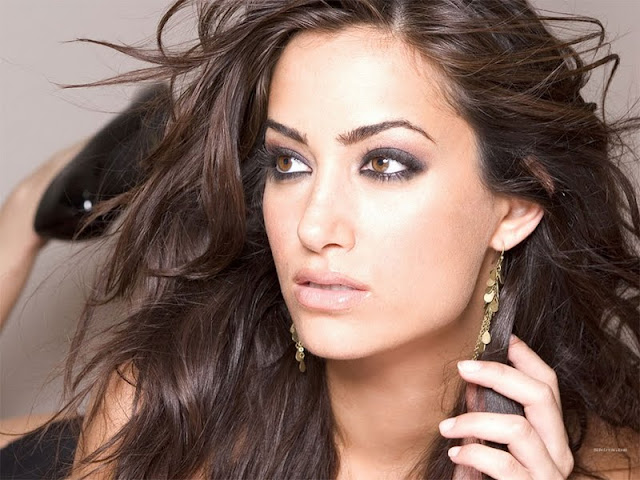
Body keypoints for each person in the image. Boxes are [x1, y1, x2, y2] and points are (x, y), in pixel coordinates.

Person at [1, 0, 639, 479]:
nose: (312, 226)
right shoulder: (159, 414)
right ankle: (28, 208)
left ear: (515, 209)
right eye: (289, 163)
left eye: (385, 164)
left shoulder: (613, 466)